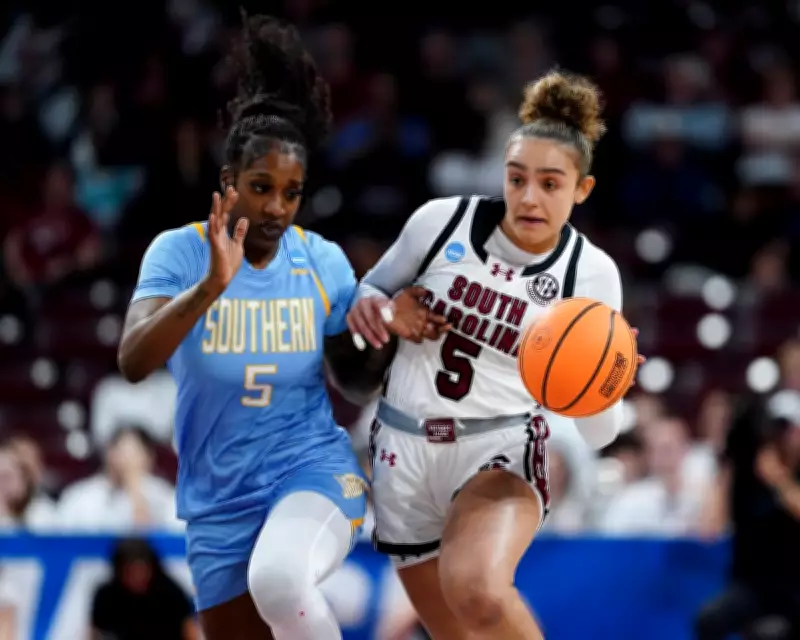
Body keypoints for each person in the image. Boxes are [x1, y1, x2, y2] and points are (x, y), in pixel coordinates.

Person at [118, 13, 437, 640]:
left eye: (291, 193)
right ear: (228, 181)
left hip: (310, 473)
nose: (276, 207)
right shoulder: (177, 254)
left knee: (281, 581)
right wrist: (210, 288)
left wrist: (383, 331)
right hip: (217, 501)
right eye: (261, 187)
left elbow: (355, 383)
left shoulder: (321, 261)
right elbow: (134, 360)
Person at [348, 70, 643, 639]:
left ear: (582, 189)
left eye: (551, 184)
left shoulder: (591, 273)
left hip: (498, 448)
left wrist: (606, 379)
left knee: (477, 591)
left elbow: (599, 434)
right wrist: (386, 312)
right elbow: (365, 294)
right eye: (517, 178)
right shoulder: (440, 223)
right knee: (451, 629)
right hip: (402, 448)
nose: (529, 197)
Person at [695, 396, 800, 639]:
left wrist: (779, 480)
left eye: (788, 431)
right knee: (708, 621)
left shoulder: (787, 476)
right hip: (752, 587)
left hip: (794, 587)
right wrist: (726, 470)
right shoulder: (742, 474)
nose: (783, 439)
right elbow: (709, 529)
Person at [91, 538, 198, 640]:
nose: (138, 577)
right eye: (131, 572)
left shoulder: (171, 594)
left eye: (142, 570)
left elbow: (189, 631)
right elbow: (95, 633)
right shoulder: (107, 597)